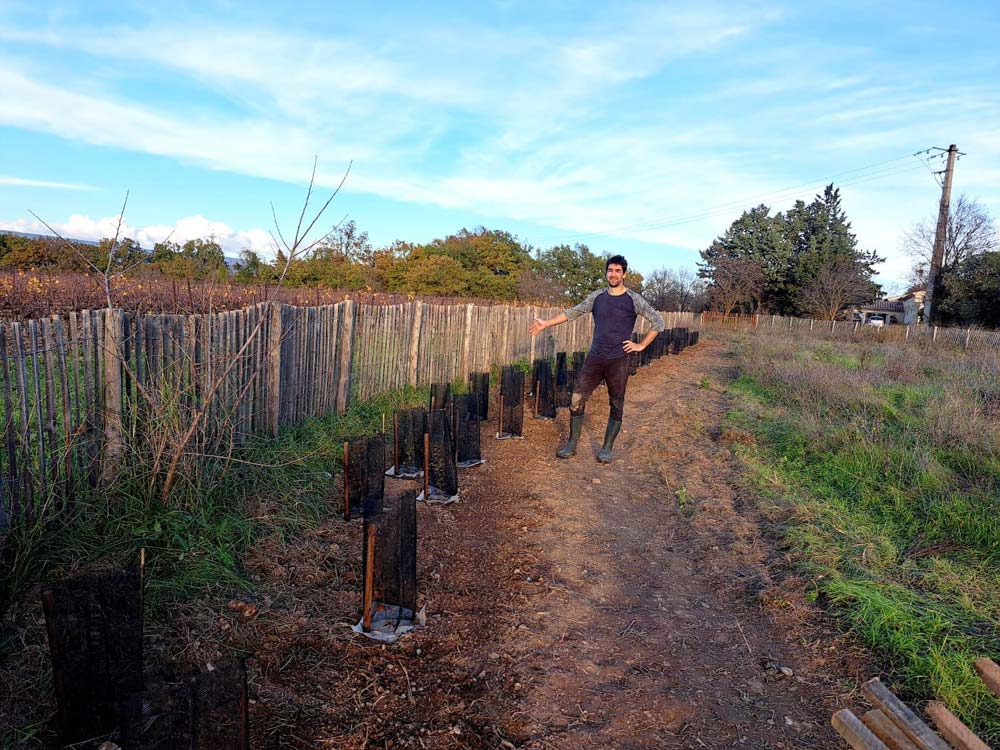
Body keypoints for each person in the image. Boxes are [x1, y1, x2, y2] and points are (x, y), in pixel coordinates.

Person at [528, 255, 664, 462]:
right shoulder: (597, 297)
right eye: (610, 270)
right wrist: (546, 324)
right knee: (576, 398)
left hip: (619, 359)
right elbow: (572, 313)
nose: (613, 274)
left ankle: (607, 447)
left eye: (618, 271)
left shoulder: (633, 299)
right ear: (606, 273)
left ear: (624, 274)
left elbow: (658, 322)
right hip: (595, 357)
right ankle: (572, 444)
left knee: (616, 402)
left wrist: (641, 345)